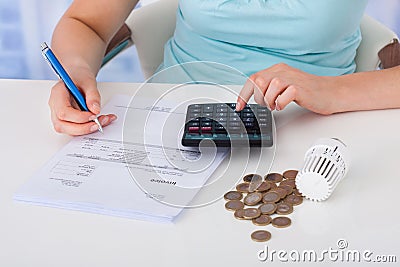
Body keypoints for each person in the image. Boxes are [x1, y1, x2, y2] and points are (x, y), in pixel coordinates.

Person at [48, 0, 400, 136]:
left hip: (318, 133)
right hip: (172, 124)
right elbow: (86, 22)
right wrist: (76, 68)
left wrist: (330, 91)